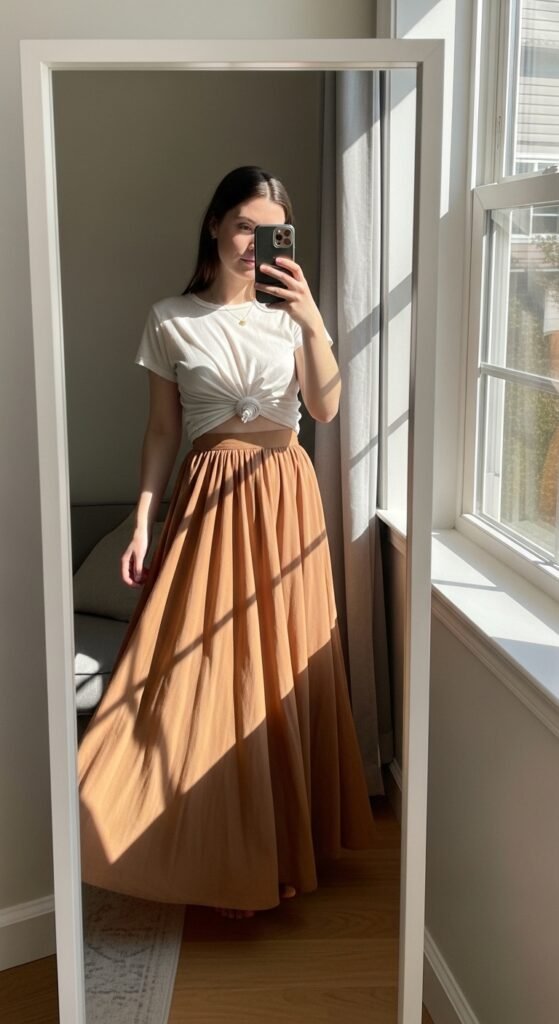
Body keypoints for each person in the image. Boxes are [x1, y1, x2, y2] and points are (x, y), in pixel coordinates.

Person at [77, 166, 376, 921]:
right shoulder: (169, 318)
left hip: (286, 500)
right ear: (214, 224)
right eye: (245, 225)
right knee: (207, 676)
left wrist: (310, 319)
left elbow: (325, 407)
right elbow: (161, 432)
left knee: (281, 669)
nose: (254, 244)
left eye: (272, 231)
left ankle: (280, 850)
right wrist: (143, 520)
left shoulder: (292, 315)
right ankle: (213, 854)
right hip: (210, 502)